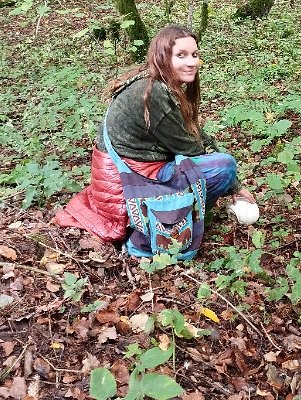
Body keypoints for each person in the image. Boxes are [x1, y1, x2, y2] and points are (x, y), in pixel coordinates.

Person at [54, 24, 256, 245]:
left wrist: (235, 185)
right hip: (127, 187)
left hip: (124, 176)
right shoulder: (154, 92)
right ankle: (174, 225)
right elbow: (192, 148)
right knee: (223, 166)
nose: (191, 62)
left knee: (218, 165)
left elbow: (194, 134)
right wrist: (232, 182)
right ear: (162, 57)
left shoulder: (153, 82)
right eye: (181, 55)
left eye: (195, 55)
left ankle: (181, 216)